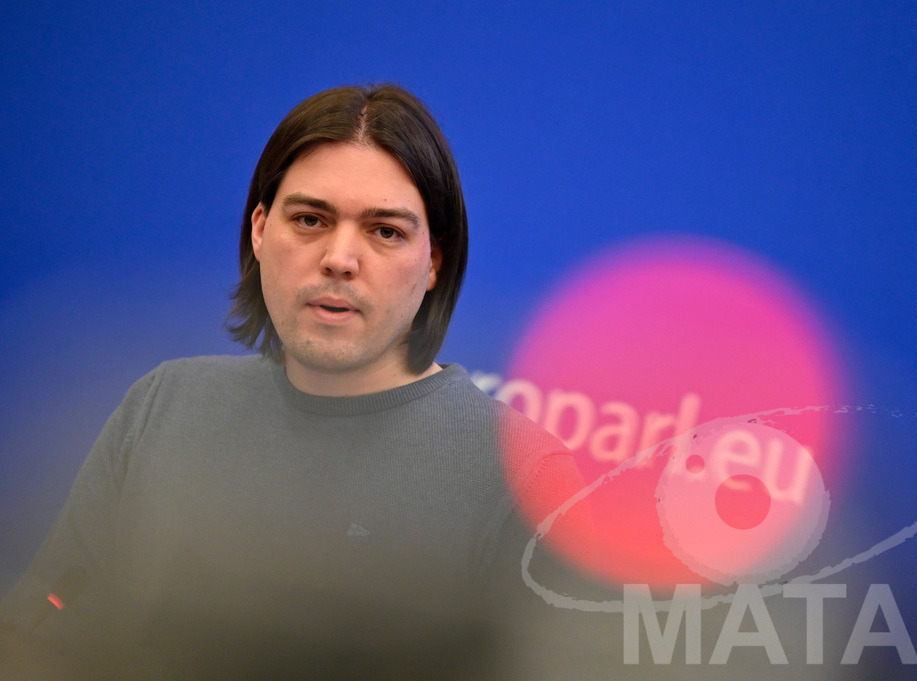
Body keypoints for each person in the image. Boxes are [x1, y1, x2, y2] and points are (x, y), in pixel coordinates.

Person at [0, 84, 585, 680]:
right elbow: (43, 635)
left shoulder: (524, 475)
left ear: (434, 260)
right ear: (259, 231)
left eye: (385, 231)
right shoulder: (163, 406)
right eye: (310, 219)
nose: (339, 258)